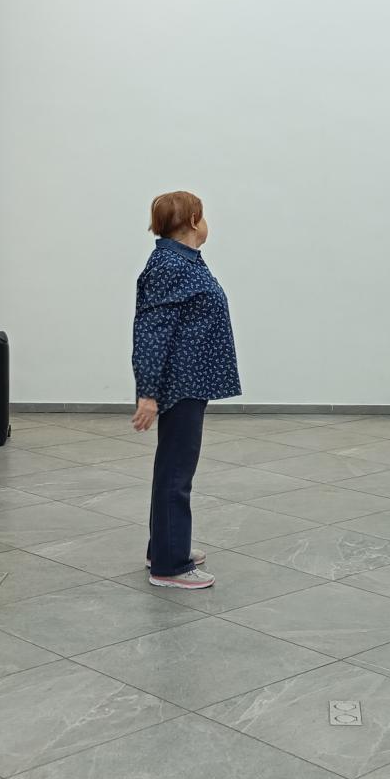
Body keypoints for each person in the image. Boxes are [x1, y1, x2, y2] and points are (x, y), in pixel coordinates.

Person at [131, 190, 241, 590]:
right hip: (180, 383)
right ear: (194, 221)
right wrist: (148, 394)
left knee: (173, 469)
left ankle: (163, 548)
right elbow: (151, 332)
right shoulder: (170, 265)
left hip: (190, 380)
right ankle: (170, 566)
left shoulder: (182, 259)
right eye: (203, 215)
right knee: (176, 473)